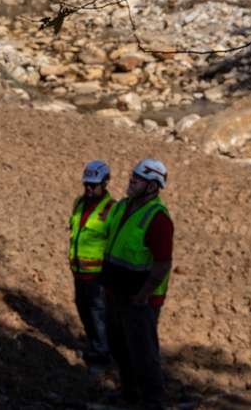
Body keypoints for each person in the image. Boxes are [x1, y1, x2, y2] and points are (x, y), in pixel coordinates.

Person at [99, 158, 174, 410]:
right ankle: (130, 394)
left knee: (143, 355)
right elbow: (112, 247)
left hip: (139, 301)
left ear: (153, 187)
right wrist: (105, 285)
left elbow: (163, 263)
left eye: (138, 178)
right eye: (132, 175)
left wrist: (143, 296)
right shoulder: (122, 207)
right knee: (120, 349)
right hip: (115, 294)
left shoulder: (158, 219)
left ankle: (152, 402)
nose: (131, 180)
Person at [68, 160, 116, 375]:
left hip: (97, 276)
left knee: (98, 314)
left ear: (105, 183)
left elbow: (113, 245)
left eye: (93, 184)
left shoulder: (111, 209)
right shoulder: (78, 203)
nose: (89, 188)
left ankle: (101, 354)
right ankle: (95, 346)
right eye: (86, 183)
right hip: (79, 272)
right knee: (83, 309)